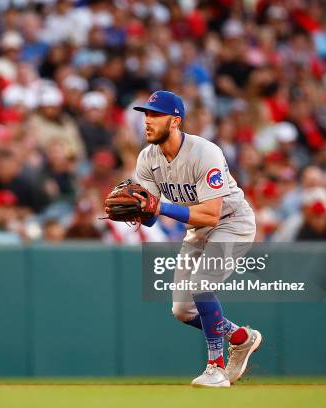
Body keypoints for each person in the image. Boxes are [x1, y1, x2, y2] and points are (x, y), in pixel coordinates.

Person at [111, 90, 262, 387]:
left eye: (155, 115)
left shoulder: (206, 152)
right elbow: (153, 214)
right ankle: (242, 338)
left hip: (232, 222)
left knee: (201, 287)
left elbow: (211, 214)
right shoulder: (147, 158)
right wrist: (139, 209)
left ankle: (215, 368)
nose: (148, 121)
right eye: (146, 115)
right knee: (182, 310)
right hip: (198, 230)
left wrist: (160, 206)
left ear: (176, 121)